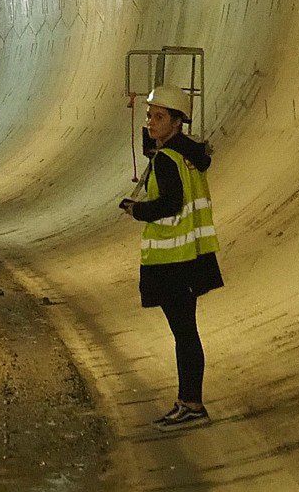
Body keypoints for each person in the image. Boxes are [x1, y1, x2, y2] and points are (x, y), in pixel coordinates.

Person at [119, 84, 222, 432]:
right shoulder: (190, 157)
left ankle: (191, 404)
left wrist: (137, 210)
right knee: (187, 332)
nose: (151, 122)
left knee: (185, 334)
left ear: (177, 122)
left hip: (173, 262)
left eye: (159, 117)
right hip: (193, 257)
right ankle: (188, 401)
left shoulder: (167, 159)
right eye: (150, 115)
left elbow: (170, 204)